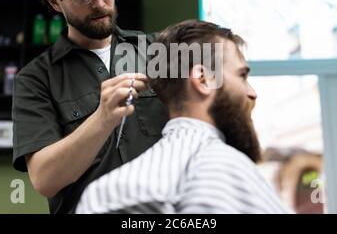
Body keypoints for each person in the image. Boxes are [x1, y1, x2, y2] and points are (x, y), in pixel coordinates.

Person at [12, 0, 169, 214]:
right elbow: (45, 180)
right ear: (54, 1)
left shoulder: (159, 50)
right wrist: (103, 118)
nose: (99, 3)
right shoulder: (35, 80)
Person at [76, 20, 290, 214]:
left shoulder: (100, 194)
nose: (252, 92)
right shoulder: (226, 172)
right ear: (203, 79)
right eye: (242, 76)